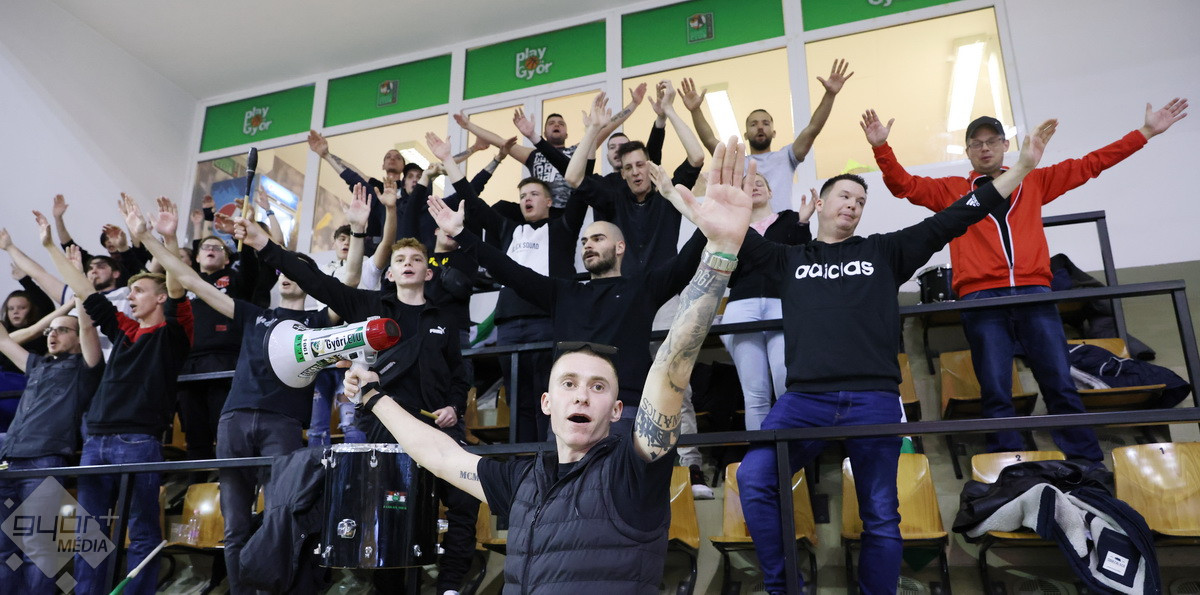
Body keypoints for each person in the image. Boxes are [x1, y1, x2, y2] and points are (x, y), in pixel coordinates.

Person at [342, 137, 754, 593]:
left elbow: (675, 356)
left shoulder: (642, 290)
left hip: (632, 425)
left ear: (620, 247)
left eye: (598, 238)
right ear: (548, 398)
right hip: (562, 439)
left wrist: (719, 241)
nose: (588, 244)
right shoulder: (563, 294)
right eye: (585, 240)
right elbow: (509, 272)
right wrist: (463, 238)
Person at [722, 120, 1061, 594]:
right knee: (755, 478)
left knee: (881, 515)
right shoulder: (788, 259)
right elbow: (727, 228)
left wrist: (1021, 168)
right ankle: (785, 588)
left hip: (874, 399)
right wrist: (695, 197)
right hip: (805, 401)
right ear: (820, 202)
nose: (853, 205)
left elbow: (960, 214)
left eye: (861, 201)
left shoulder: (885, 251)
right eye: (844, 196)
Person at [861, 97, 1188, 460]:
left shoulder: (1033, 180)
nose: (984, 148)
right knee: (996, 389)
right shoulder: (952, 190)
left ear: (1005, 145)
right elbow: (904, 185)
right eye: (976, 144)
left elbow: (1092, 163)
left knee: (1059, 382)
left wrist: (1145, 132)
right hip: (982, 298)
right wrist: (881, 148)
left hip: (1035, 294)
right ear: (968, 152)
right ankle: (1009, 465)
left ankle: (1087, 461)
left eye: (992, 141)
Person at [234, 219, 475, 595]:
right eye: (400, 260)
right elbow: (317, 282)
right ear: (390, 272)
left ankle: (450, 587)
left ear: (428, 272)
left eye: (416, 259)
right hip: (386, 427)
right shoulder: (370, 306)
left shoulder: (444, 318)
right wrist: (265, 246)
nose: (408, 264)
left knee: (466, 501)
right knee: (391, 514)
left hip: (439, 426)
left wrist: (454, 408)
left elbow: (460, 376)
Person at [129, 201, 333, 595]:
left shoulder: (319, 321)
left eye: (298, 271)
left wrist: (357, 232)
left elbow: (354, 277)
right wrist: (147, 238)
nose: (287, 276)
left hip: (284, 423)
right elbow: (191, 281)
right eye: (284, 271)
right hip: (234, 419)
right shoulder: (255, 313)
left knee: (281, 518)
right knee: (236, 525)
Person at [39, 196, 193, 595]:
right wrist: (50, 246)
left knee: (142, 531)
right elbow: (84, 291)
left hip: (138, 440)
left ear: (160, 298)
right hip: (96, 439)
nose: (131, 296)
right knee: (89, 535)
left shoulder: (173, 332)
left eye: (138, 290)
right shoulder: (125, 329)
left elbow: (178, 283)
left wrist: (169, 238)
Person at [0, 300, 102, 594]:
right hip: (8, 460)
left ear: (78, 338)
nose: (52, 335)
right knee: (3, 549)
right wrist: (61, 312)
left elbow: (87, 327)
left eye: (62, 330)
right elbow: (3, 340)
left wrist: (77, 300)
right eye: (49, 331)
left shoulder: (86, 367)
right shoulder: (37, 364)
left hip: (45, 460)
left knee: (37, 548)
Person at [681, 59, 852, 212]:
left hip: (782, 228)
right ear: (745, 135)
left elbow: (813, 129)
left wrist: (830, 94)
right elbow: (710, 141)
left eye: (766, 123)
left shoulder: (786, 156)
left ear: (774, 132)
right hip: (748, 229)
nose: (760, 127)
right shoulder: (737, 163)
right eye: (753, 124)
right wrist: (695, 110)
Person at [721, 174, 814, 431]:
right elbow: (731, 278)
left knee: (785, 383)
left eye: (759, 183)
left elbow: (801, 263)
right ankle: (761, 454)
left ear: (771, 192)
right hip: (741, 305)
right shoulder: (734, 227)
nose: (754, 187)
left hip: (781, 302)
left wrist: (803, 223)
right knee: (755, 393)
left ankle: (791, 450)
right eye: (747, 186)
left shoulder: (790, 219)